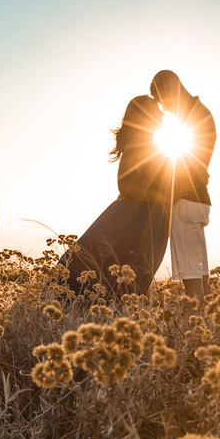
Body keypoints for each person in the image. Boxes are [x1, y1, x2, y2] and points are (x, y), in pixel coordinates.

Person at [60, 95, 172, 298]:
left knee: (132, 271)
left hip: (148, 219)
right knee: (123, 268)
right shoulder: (139, 143)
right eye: (157, 109)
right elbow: (125, 183)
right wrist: (162, 197)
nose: (162, 112)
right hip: (136, 220)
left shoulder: (149, 143)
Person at [150, 70, 216, 303]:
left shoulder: (193, 117)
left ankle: (198, 325)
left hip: (187, 200)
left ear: (170, 90)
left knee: (192, 275)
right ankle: (211, 325)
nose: (165, 110)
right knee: (199, 270)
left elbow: (190, 165)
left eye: (163, 102)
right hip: (196, 199)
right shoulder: (198, 113)